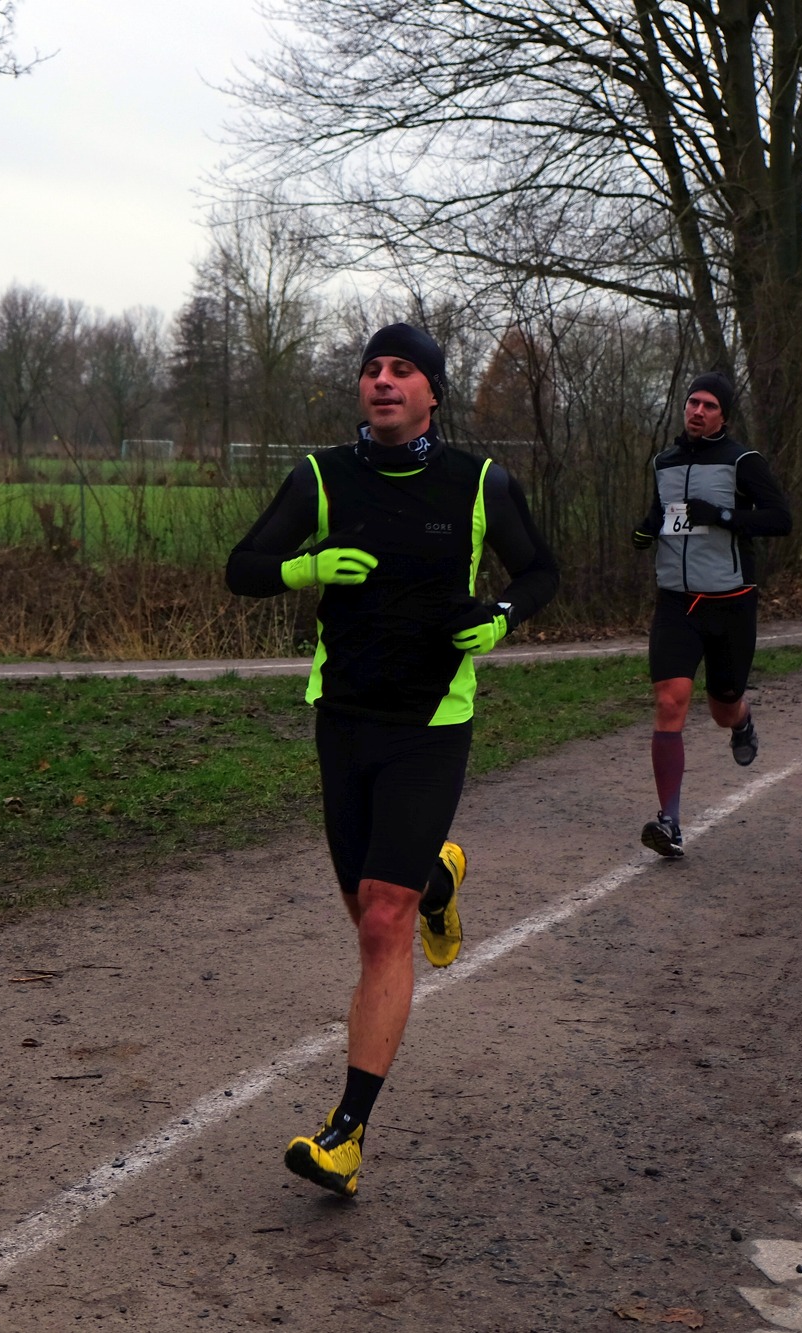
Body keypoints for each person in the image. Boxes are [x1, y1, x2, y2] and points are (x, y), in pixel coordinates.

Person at [226, 323, 559, 1198]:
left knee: (383, 922)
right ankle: (437, 875)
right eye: (371, 369)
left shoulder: (480, 483)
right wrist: (304, 568)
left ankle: (346, 1135)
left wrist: (501, 618)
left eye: (401, 370)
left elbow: (541, 571)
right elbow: (242, 566)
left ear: (432, 392)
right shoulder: (322, 477)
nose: (381, 380)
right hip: (343, 716)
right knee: (367, 911)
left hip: (431, 720)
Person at [629, 373, 793, 858]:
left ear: (724, 415)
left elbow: (780, 519)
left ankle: (742, 720)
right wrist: (647, 529)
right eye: (692, 403)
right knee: (670, 700)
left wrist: (720, 516)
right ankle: (670, 822)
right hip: (677, 602)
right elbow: (665, 514)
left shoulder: (743, 461)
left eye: (709, 405)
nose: (697, 411)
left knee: (723, 706)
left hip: (730, 603)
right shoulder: (664, 461)